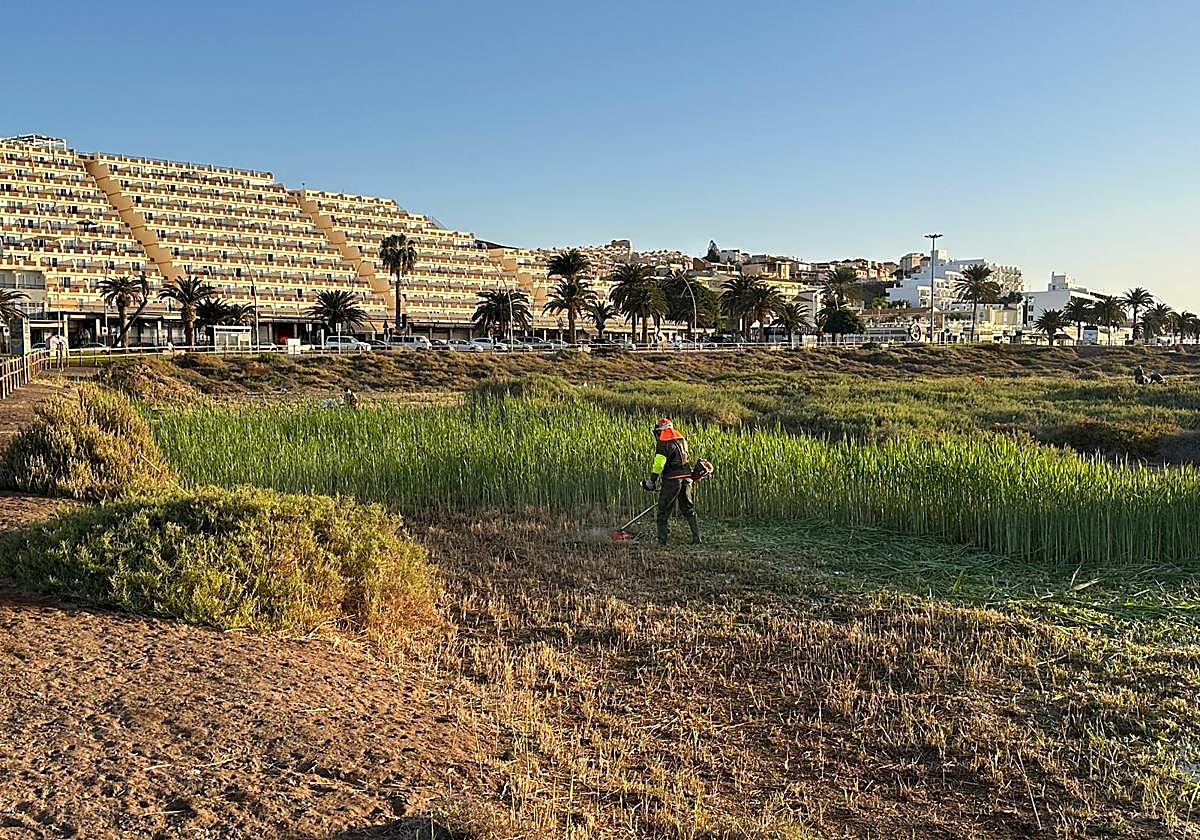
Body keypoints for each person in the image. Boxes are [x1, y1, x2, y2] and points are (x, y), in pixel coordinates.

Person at [640, 418, 701, 545]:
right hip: (687, 478)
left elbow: (659, 464)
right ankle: (697, 538)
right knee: (688, 509)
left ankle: (662, 542)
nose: (657, 434)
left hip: (672, 480)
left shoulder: (663, 443)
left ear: (661, 430)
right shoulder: (681, 439)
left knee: (663, 511)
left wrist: (651, 481)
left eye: (657, 431)